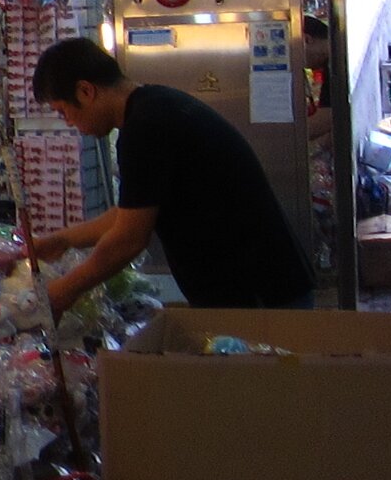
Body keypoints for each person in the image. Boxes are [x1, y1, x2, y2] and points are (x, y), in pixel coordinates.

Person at [25, 37, 314, 313]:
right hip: (261, 285)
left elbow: (129, 239)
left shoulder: (145, 128)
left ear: (85, 91)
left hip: (258, 294)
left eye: (63, 111)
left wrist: (63, 291)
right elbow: (131, 213)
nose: (69, 122)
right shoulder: (155, 105)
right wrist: (61, 241)